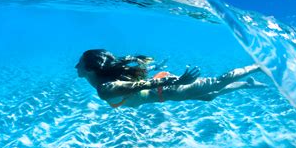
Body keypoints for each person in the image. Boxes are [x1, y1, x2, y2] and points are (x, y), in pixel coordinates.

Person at [75, 49, 265, 108]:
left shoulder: (105, 89)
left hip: (168, 89)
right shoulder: (104, 81)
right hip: (166, 90)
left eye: (80, 63)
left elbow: (145, 83)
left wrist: (177, 82)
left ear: (90, 69)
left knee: (216, 83)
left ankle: (256, 67)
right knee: (208, 95)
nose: (76, 66)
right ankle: (247, 84)